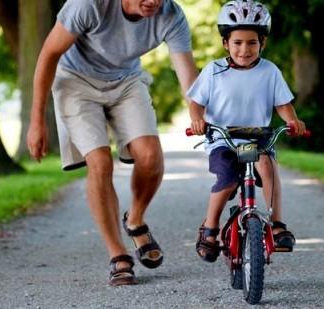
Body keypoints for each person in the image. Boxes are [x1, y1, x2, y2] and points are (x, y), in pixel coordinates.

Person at [26, 0, 198, 286]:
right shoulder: (88, 5)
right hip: (75, 82)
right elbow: (49, 53)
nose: (154, 1)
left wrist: (197, 113)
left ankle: (135, 220)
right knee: (100, 162)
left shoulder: (171, 14)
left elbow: (188, 75)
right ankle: (118, 254)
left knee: (151, 156)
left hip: (126, 81)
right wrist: (36, 121)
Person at [187, 0, 306, 263]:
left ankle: (276, 224)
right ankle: (210, 228)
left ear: (262, 43)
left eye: (252, 43)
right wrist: (197, 120)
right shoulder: (214, 71)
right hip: (223, 139)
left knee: (267, 164)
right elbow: (196, 102)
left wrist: (293, 121)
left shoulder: (269, 71)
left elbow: (282, 104)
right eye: (238, 42)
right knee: (227, 179)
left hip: (255, 139)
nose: (244, 49)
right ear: (225, 43)